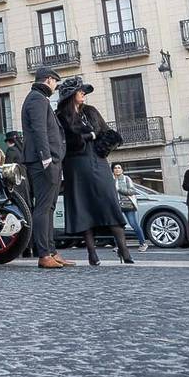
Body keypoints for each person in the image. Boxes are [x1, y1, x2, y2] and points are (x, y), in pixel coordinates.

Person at [55, 77, 132, 266]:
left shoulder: (90, 111)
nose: (83, 93)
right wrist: (90, 135)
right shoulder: (61, 117)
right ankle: (92, 253)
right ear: (71, 95)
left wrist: (101, 141)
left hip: (98, 161)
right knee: (83, 208)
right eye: (80, 91)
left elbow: (105, 132)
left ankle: (124, 250)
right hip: (75, 165)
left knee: (109, 202)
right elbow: (67, 142)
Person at [21, 67, 68, 269]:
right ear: (48, 80)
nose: (56, 86)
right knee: (43, 207)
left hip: (49, 160)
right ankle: (44, 254)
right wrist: (46, 159)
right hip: (43, 162)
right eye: (55, 81)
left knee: (49, 207)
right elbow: (39, 130)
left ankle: (51, 251)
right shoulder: (36, 99)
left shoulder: (40, 99)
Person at [112, 163, 150, 253]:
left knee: (134, 224)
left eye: (119, 168)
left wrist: (119, 189)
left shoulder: (126, 179)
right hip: (116, 206)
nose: (117, 169)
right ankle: (118, 246)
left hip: (128, 205)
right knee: (117, 226)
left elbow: (132, 191)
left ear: (122, 170)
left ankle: (143, 243)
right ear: (113, 170)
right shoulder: (111, 180)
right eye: (115, 168)